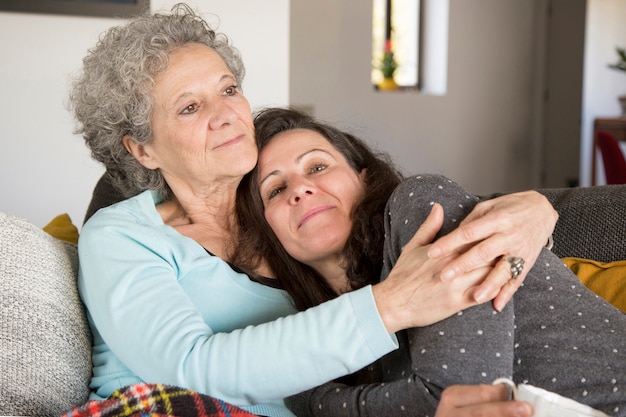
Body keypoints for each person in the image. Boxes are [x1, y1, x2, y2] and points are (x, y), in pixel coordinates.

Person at [71, 4, 558, 417]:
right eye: (189, 108)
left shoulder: (292, 212)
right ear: (142, 150)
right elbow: (192, 370)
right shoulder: (121, 235)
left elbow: (419, 218)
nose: (226, 115)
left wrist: (540, 209)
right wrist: (392, 304)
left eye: (227, 89)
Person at [236, 107, 626, 417]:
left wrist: (311, 399)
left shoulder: (422, 201)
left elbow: (467, 399)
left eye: (317, 166)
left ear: (364, 177)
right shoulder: (337, 337)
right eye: (275, 189)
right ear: (268, 234)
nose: (300, 189)